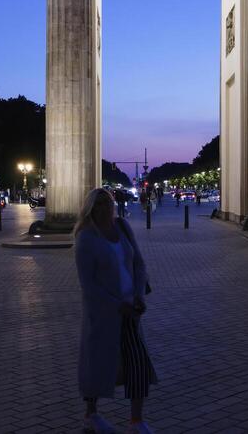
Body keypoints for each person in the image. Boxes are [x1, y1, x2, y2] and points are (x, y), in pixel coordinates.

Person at [75, 186, 157, 434]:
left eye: (107, 203)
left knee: (138, 364)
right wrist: (117, 305)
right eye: (99, 204)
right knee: (98, 364)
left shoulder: (122, 227)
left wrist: (139, 295)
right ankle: (91, 414)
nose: (104, 208)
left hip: (131, 309)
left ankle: (136, 420)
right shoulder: (86, 238)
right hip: (104, 314)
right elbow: (88, 285)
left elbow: (139, 263)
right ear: (90, 209)